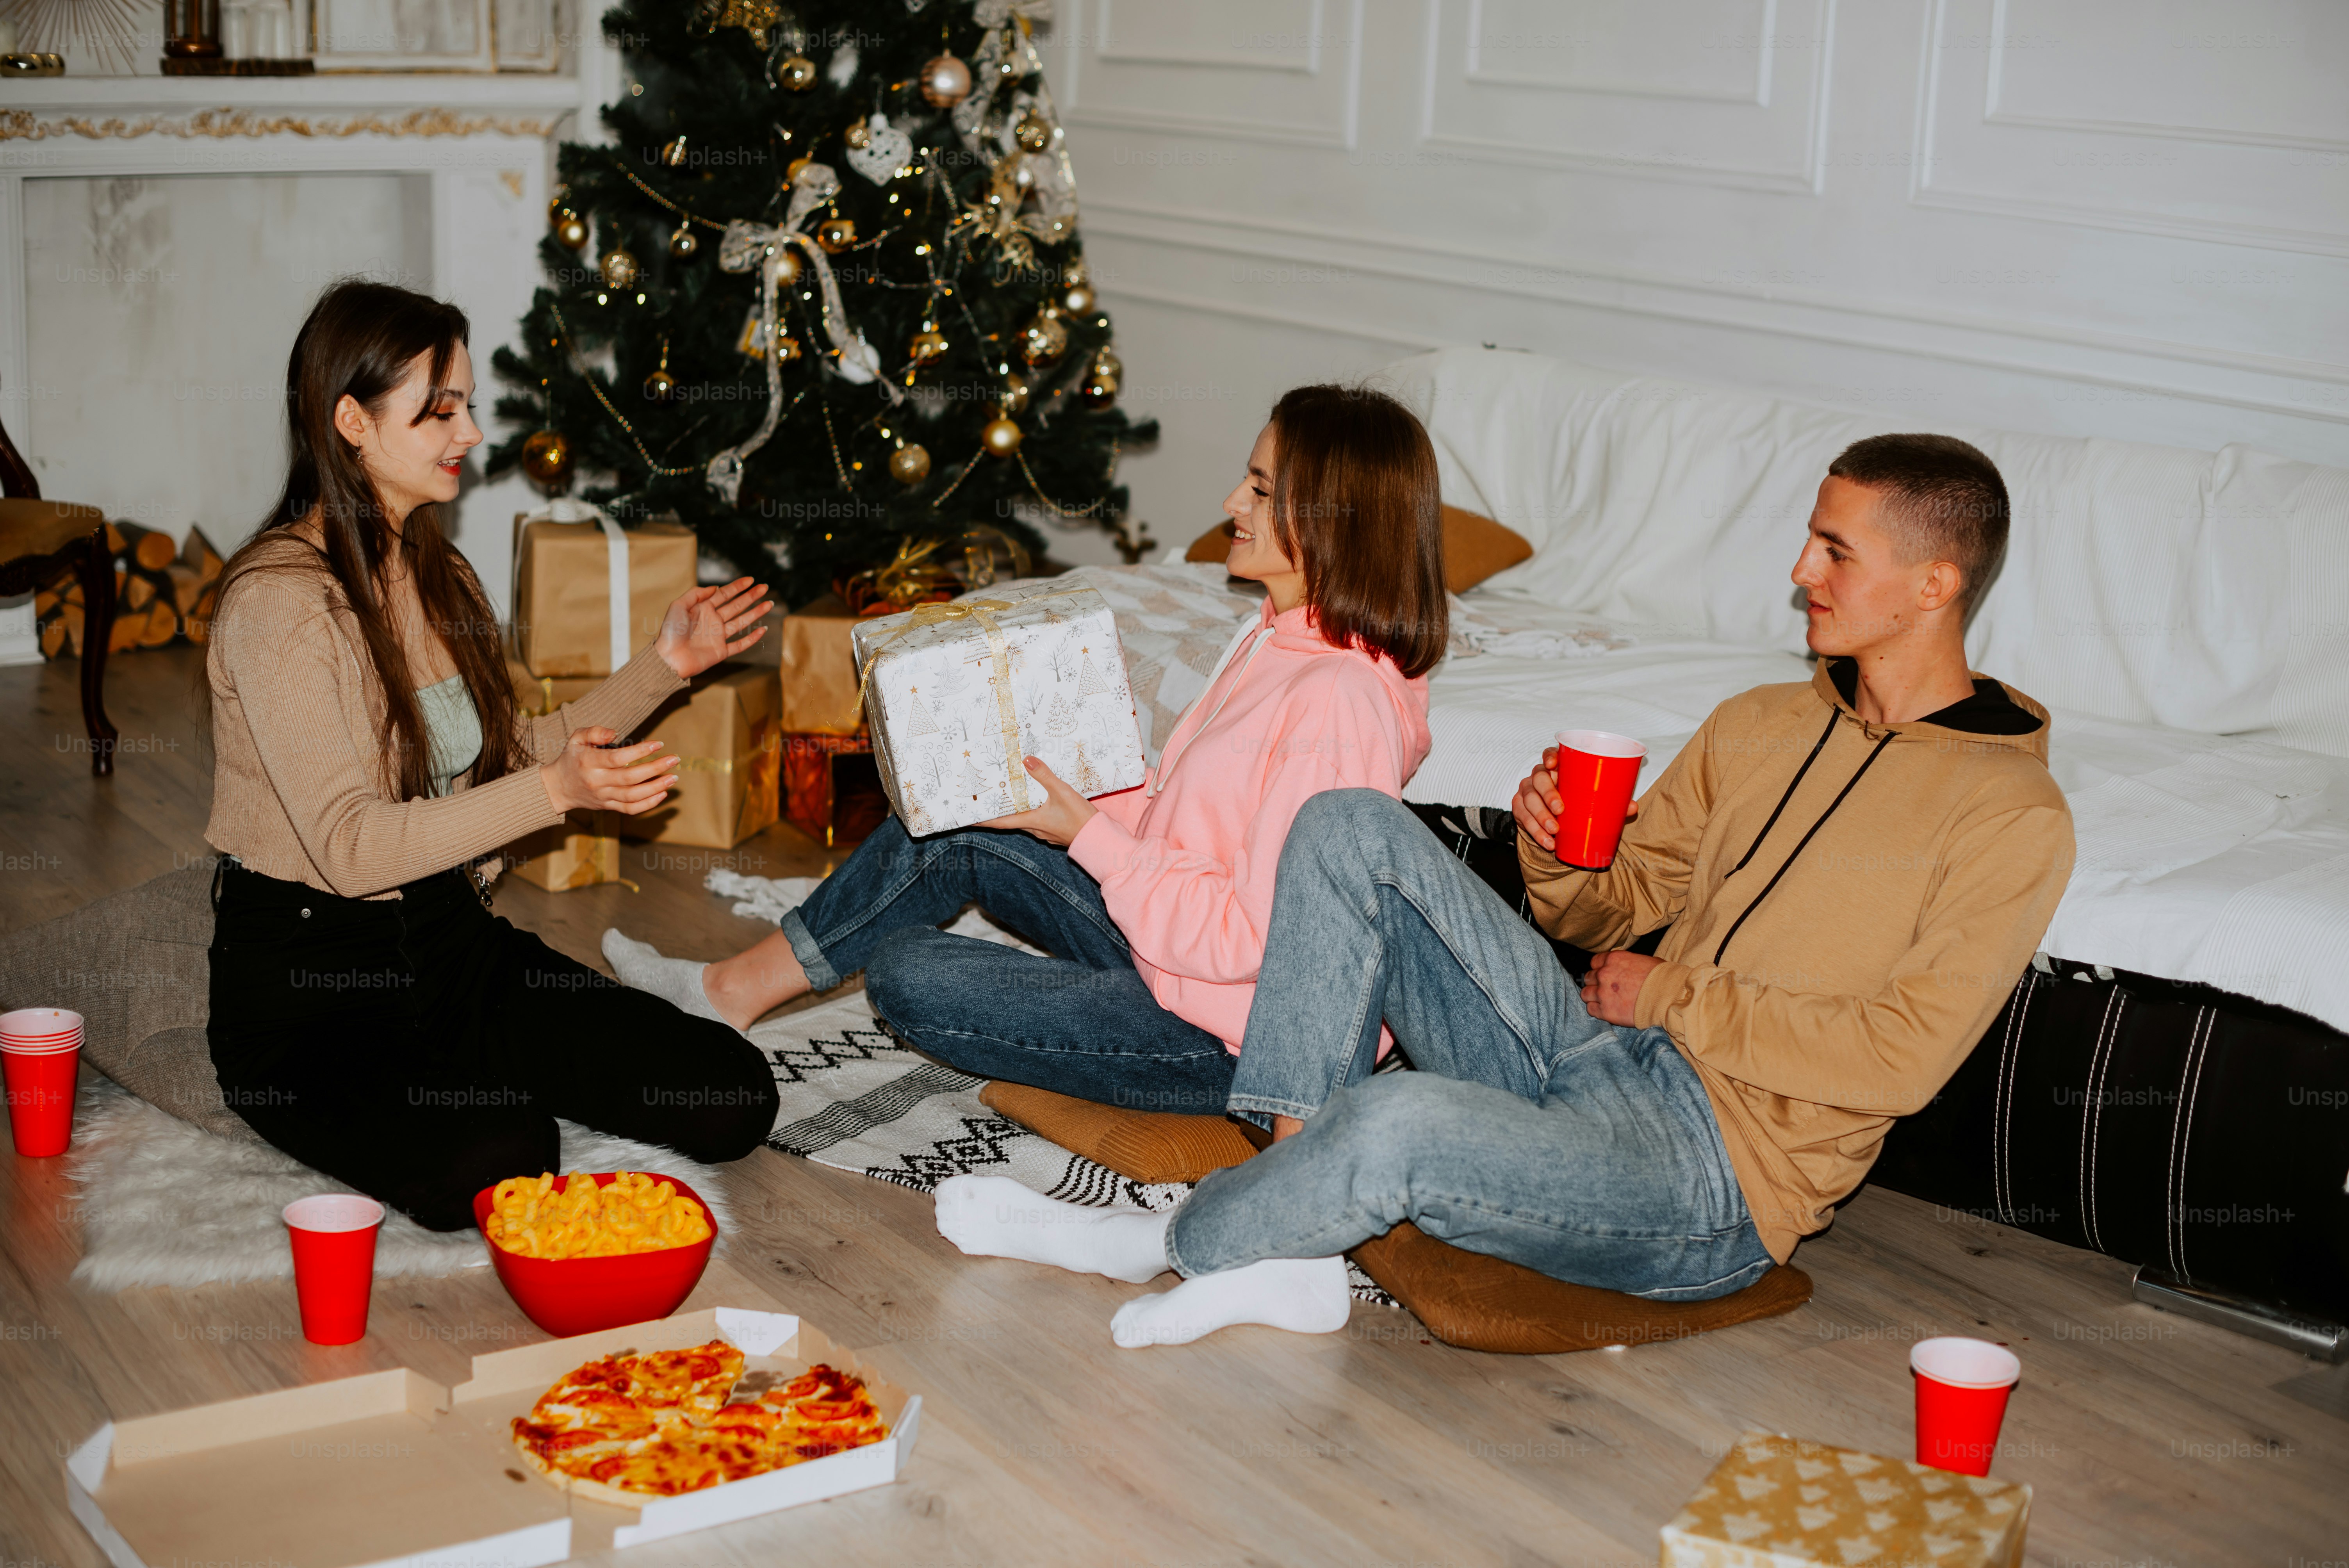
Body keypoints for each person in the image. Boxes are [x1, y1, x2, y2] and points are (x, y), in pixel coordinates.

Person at [932, 433, 2078, 1348]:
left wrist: (1675, 996)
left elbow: (1903, 1060)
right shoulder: (1763, 723)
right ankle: (1288, 1233)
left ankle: (1175, 1238)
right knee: (1348, 825)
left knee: (1396, 1122)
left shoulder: (2010, 816)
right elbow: (1600, 915)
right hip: (1595, 1053)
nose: (1799, 573)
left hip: (1716, 1181)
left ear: (1934, 585)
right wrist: (1556, 853)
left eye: (1836, 552)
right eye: (1807, 543)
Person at [604, 385, 1445, 1115]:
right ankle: (729, 992)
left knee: (904, 975)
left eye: (1260, 490)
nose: (1231, 500)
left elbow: (1255, 943)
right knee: (968, 808)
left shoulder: (1337, 702)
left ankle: (740, 994)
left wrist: (1091, 839)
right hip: (1171, 954)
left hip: (1231, 1039)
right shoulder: (1272, 637)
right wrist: (1061, 786)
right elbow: (1186, 831)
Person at [202, 279, 779, 1232]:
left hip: (452, 941)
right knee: (503, 1158)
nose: (468, 431)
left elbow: (508, 757)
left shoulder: (441, 572)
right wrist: (554, 792)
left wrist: (664, 665)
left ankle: (459, 1059)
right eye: (438, 410)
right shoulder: (279, 604)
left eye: (466, 403)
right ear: (350, 420)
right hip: (309, 980)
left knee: (727, 1094)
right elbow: (349, 847)